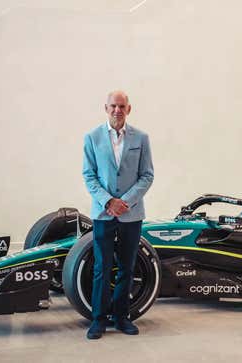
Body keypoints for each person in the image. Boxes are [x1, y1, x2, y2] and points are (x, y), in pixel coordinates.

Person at [82, 90, 154, 339]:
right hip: (103, 214)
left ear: (129, 109)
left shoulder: (141, 138)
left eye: (121, 106)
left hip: (130, 215)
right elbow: (89, 175)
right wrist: (108, 201)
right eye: (113, 106)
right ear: (106, 108)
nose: (117, 110)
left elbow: (147, 175)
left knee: (127, 267)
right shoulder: (92, 137)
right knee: (102, 267)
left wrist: (125, 202)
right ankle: (98, 320)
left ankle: (122, 317)